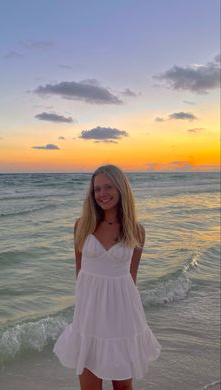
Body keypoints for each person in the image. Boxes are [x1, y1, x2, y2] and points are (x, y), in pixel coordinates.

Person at [53, 164, 161, 390]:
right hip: (90, 315)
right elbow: (79, 272)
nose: (102, 194)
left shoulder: (136, 230)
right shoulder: (82, 226)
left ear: (121, 188)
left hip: (122, 315)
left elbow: (132, 276)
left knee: (123, 386)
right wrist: (81, 312)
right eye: (97, 189)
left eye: (108, 187)